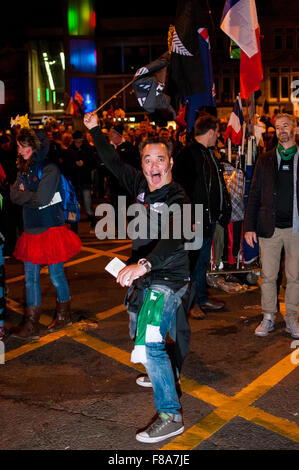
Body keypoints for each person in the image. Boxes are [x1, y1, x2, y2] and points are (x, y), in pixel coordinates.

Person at [84, 112, 191, 444]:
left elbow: (175, 238)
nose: (153, 165)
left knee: (150, 341)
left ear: (170, 162)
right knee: (138, 329)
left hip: (168, 278)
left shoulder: (179, 199)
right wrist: (95, 130)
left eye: (160, 158)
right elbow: (112, 162)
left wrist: (143, 265)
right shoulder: (141, 187)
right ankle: (164, 373)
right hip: (143, 277)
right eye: (148, 159)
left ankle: (171, 415)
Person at [10, 127, 82, 340]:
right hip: (31, 229)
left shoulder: (49, 169)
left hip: (50, 228)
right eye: (19, 146)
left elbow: (41, 199)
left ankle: (64, 315)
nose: (20, 150)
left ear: (35, 147)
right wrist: (26, 195)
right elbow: (13, 194)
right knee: (30, 279)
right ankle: (31, 324)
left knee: (56, 275)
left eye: (23, 146)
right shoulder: (24, 168)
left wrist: (25, 194)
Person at [244, 113, 299, 339]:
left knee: (295, 276)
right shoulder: (265, 159)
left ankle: (292, 319)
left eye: (286, 126)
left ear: (295, 129)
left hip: (296, 229)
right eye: (277, 127)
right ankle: (268, 316)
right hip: (270, 228)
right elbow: (254, 194)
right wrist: (249, 226)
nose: (281, 130)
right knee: (268, 276)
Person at [173, 114, 231, 319]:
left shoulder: (208, 153)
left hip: (207, 219)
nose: (218, 136)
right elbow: (180, 190)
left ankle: (202, 297)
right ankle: (191, 303)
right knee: (193, 263)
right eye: (217, 133)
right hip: (194, 219)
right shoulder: (187, 155)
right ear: (210, 132)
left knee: (202, 262)